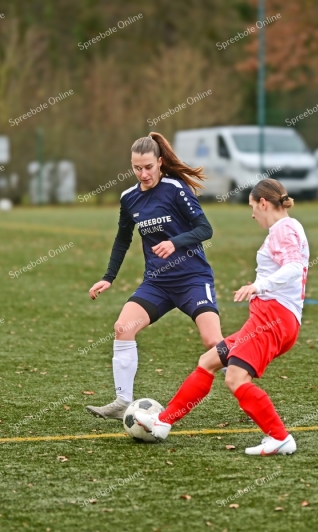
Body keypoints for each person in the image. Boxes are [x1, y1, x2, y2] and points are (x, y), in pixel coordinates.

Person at [135, 179, 309, 456]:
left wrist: (258, 286)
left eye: (253, 207)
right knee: (209, 360)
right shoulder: (292, 226)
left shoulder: (283, 229)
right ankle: (163, 423)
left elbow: (293, 267)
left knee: (236, 379)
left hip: (273, 319)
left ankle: (279, 437)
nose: (253, 214)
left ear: (264, 203)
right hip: (274, 319)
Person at [86, 132, 223, 420]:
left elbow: (205, 229)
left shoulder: (176, 189)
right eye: (137, 168)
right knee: (123, 327)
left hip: (192, 279)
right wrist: (108, 277)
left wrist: (176, 242)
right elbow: (122, 239)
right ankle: (123, 400)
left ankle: (245, 384)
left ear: (160, 163)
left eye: (148, 167)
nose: (143, 173)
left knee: (213, 342)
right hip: (158, 283)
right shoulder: (129, 198)